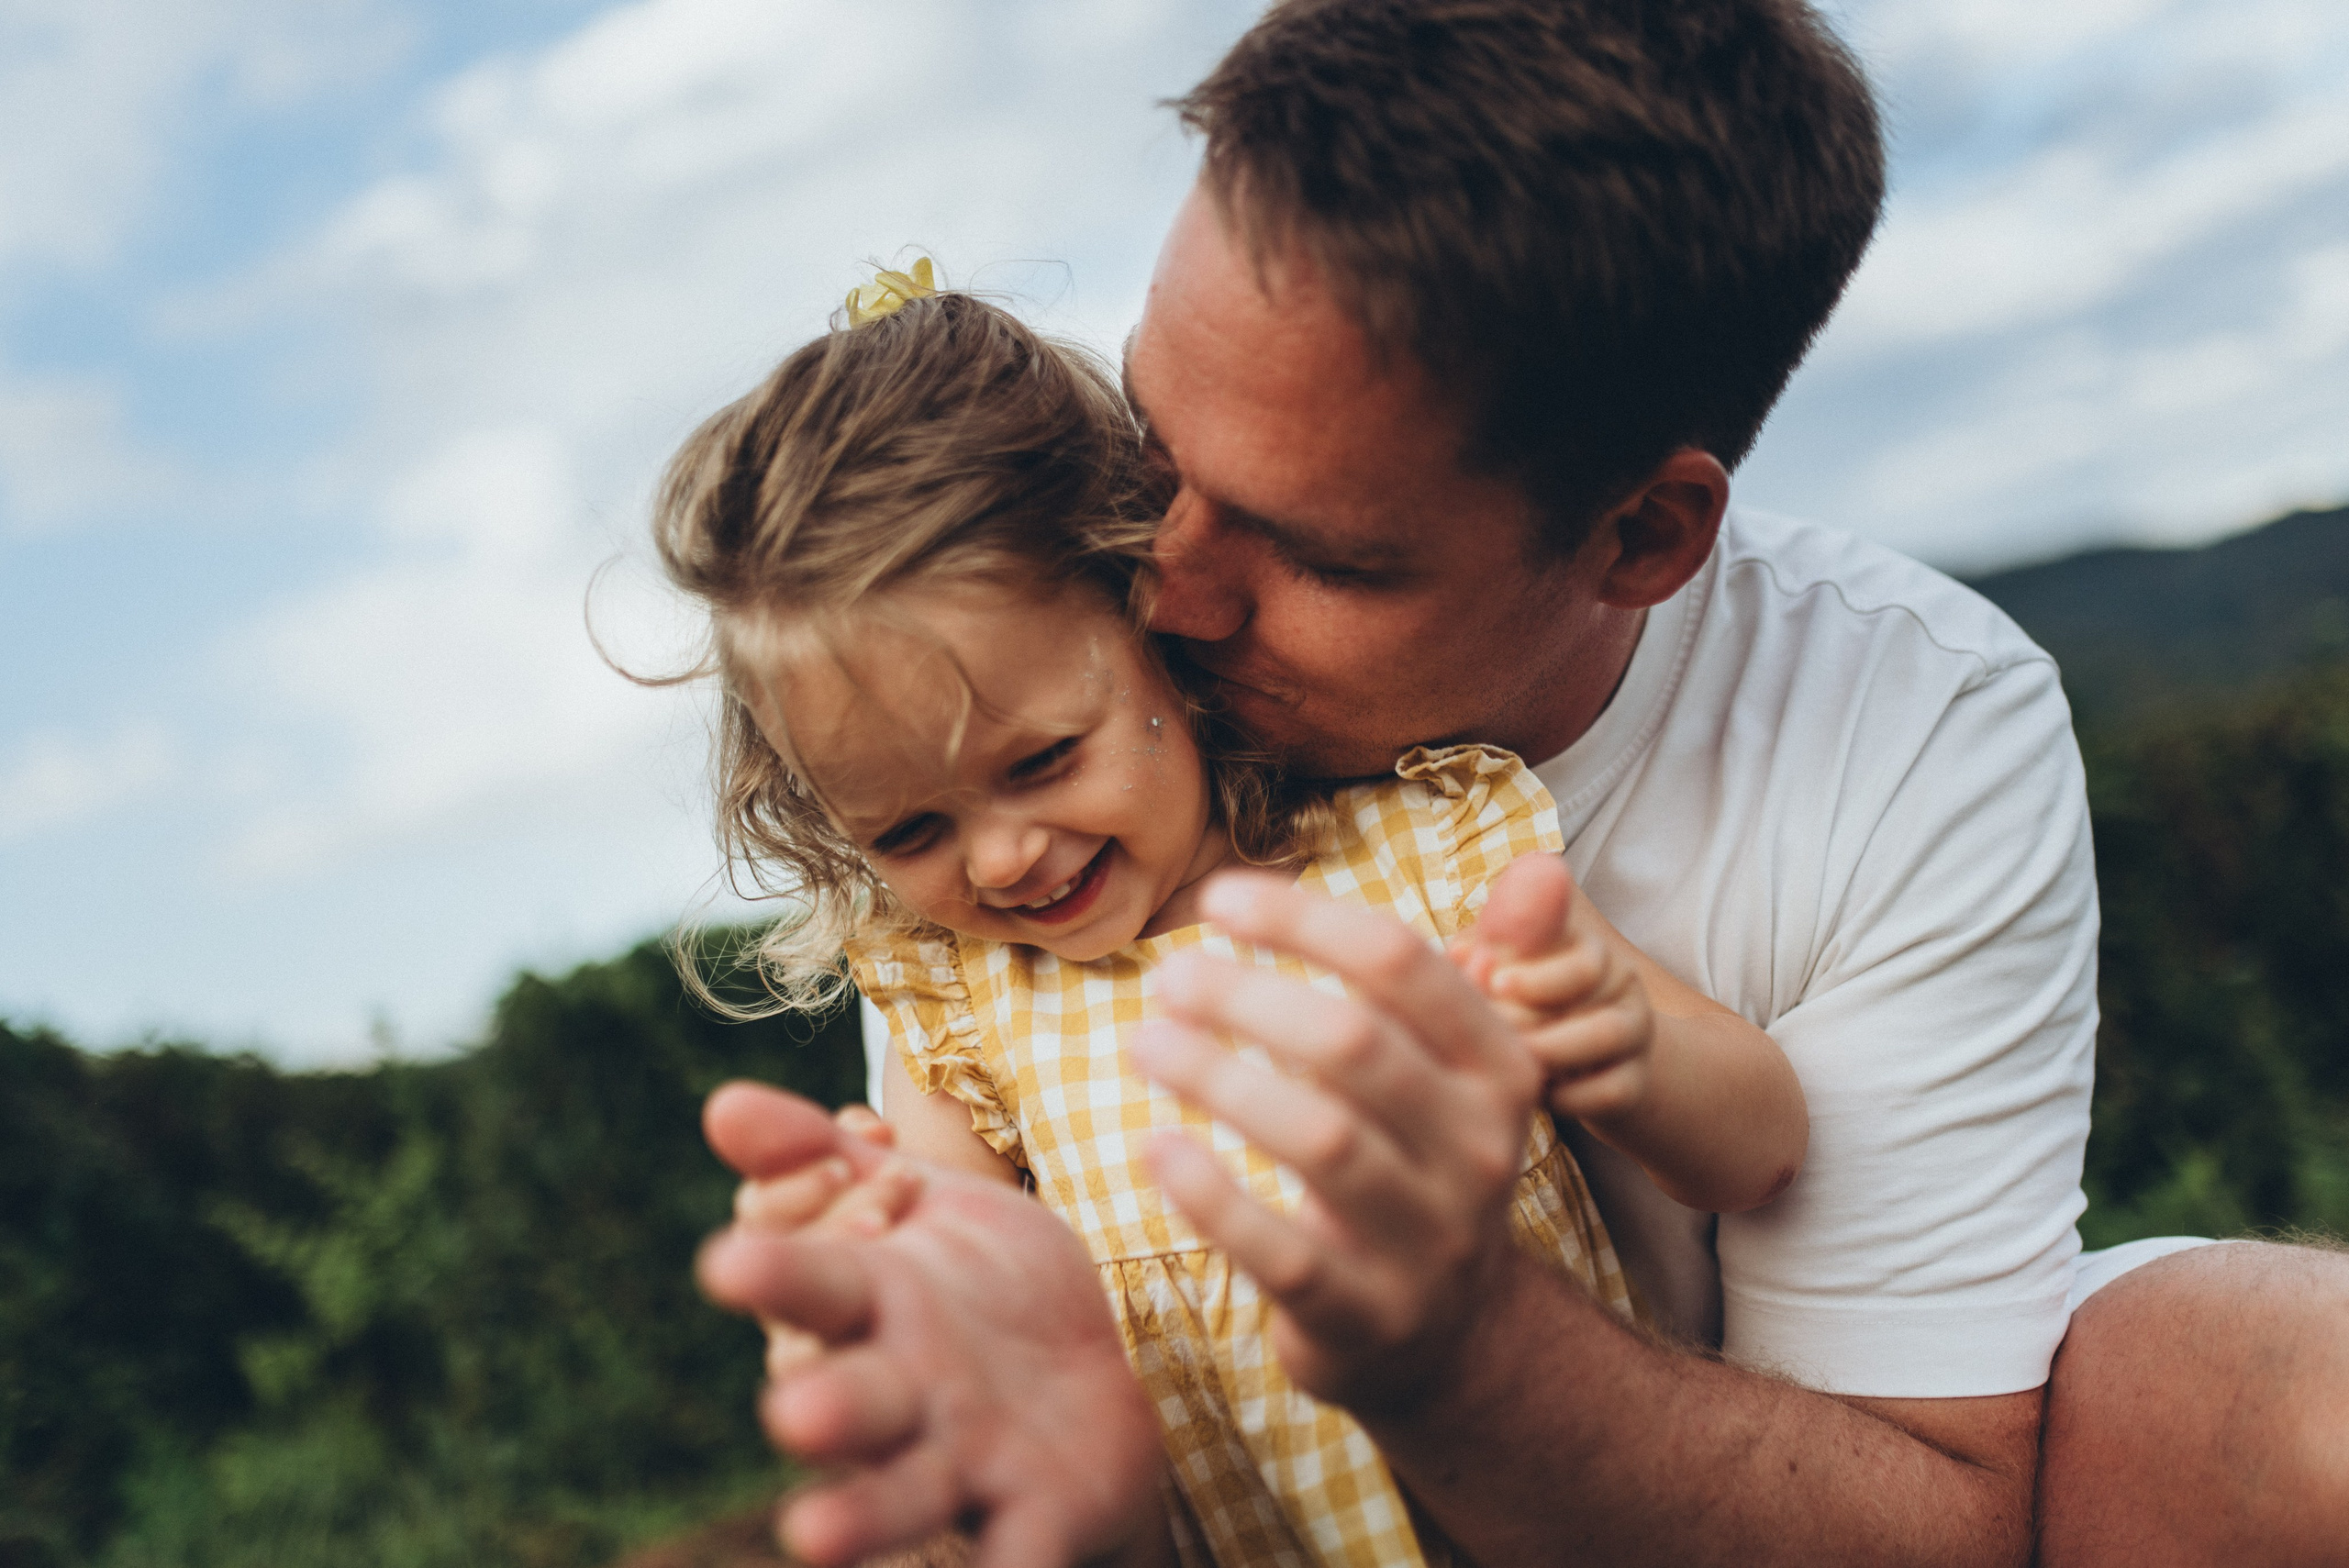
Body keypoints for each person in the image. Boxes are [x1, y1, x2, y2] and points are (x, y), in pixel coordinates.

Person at [696, 2, 2349, 1564]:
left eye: (1315, 552)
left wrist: (1463, 1343)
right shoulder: (1038, 733)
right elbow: (1009, 1385)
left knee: (2260, 1381)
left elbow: (1935, 1508)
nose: (1170, 591)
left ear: (1641, 535)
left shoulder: (1909, 725)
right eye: (1156, 448)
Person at [656, 275, 1806, 1566]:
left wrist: (1627, 1046)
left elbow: (1759, 1146)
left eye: (1044, 759)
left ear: (1156, 619)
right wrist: (896, 1289)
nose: (1005, 853)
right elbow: (967, 1312)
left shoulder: (1423, 855)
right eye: (909, 833)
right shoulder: (966, 1010)